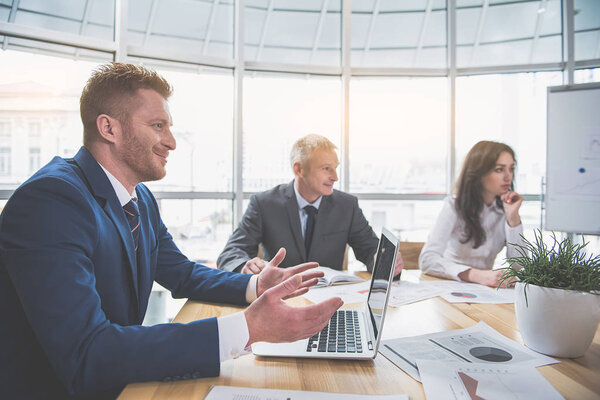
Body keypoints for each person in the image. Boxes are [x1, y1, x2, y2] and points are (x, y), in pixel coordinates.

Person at [0, 63, 343, 399]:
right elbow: (88, 352)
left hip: (121, 380)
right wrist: (247, 328)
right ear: (109, 128)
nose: (172, 142)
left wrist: (256, 285)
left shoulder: (140, 198)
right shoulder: (52, 201)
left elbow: (182, 274)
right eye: (158, 125)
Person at [217, 134, 403, 277]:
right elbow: (231, 253)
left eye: (335, 168)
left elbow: (370, 249)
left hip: (331, 300)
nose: (335, 177)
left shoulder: (347, 206)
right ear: (299, 169)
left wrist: (384, 262)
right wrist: (245, 265)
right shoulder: (264, 204)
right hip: (280, 300)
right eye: (326, 168)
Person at [419, 140, 524, 287]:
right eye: (499, 170)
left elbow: (520, 267)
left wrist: (513, 219)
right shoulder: (454, 206)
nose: (508, 177)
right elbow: (427, 260)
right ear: (480, 172)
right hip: (450, 286)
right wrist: (476, 275)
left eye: (511, 169)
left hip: (485, 291)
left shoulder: (506, 210)